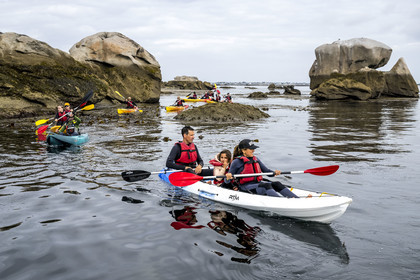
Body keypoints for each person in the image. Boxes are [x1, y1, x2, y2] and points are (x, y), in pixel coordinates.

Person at [225, 139, 298, 198]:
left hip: (257, 184)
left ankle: (296, 199)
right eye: (251, 149)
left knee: (277, 184)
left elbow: (267, 172)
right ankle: (281, 202)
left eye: (253, 148)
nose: (253, 150)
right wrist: (228, 177)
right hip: (245, 187)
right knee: (266, 185)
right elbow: (226, 181)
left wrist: (275, 172)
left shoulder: (256, 159)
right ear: (244, 150)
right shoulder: (236, 162)